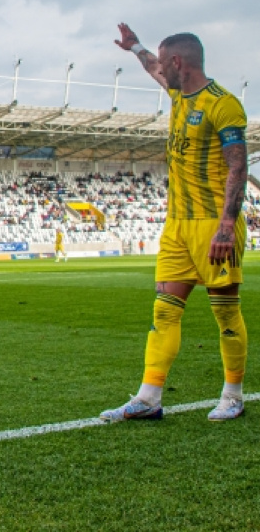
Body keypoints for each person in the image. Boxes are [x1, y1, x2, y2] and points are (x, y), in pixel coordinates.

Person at [101, 25, 249, 423]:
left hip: (212, 224)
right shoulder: (178, 94)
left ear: (179, 63)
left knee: (224, 312)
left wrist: (225, 227)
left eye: (165, 63)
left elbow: (238, 166)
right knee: (164, 312)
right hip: (177, 227)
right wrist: (137, 49)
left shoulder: (224, 105)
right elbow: (151, 67)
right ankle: (149, 398)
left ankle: (232, 395)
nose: (159, 69)